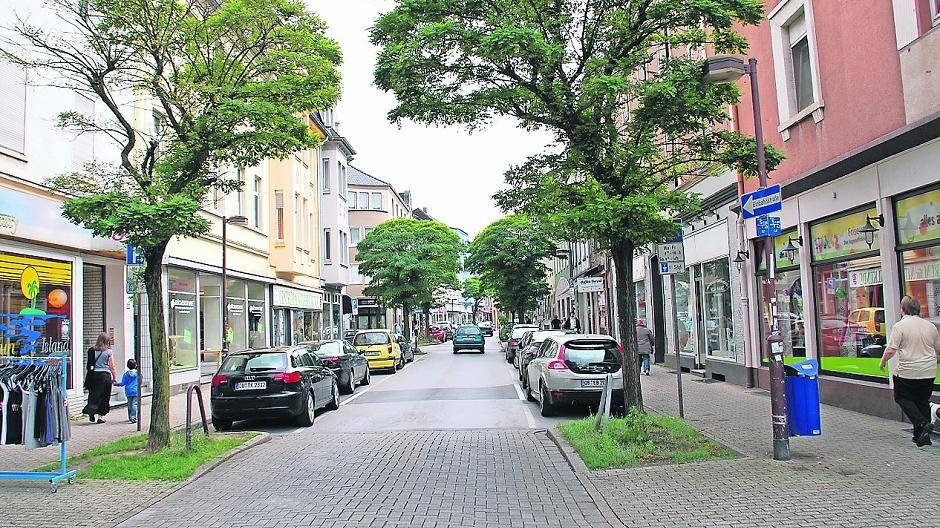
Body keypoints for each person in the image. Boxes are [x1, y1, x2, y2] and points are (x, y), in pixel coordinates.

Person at [879, 296, 940, 447]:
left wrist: (883, 362)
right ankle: (921, 437)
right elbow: (937, 349)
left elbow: (891, 349)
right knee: (922, 400)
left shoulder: (900, 326)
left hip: (908, 371)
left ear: (903, 310)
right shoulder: (930, 326)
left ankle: (921, 422)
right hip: (929, 371)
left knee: (901, 397)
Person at [82, 332, 117, 424]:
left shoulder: (91, 350)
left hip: (94, 375)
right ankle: (100, 417)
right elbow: (112, 366)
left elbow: (89, 365)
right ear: (107, 341)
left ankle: (91, 411)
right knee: (104, 396)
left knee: (93, 394)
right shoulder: (109, 352)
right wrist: (114, 377)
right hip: (105, 376)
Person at [114, 358, 139, 423]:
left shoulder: (126, 374)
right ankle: (133, 416)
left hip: (128, 391)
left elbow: (123, 383)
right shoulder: (138, 374)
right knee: (134, 404)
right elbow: (141, 380)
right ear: (136, 365)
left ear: (127, 366)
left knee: (129, 404)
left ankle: (130, 417)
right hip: (136, 390)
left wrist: (115, 384)